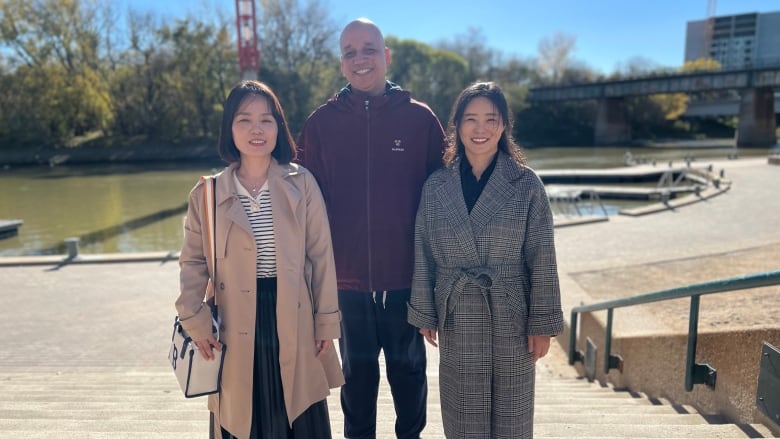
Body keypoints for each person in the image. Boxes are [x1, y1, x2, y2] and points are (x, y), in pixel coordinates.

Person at [297, 18, 447, 439]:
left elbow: (446, 197)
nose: (359, 59)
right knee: (356, 387)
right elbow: (297, 202)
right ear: (341, 64)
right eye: (349, 52)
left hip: (407, 281)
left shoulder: (419, 120)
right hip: (345, 285)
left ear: (386, 56)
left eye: (368, 49)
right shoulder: (321, 124)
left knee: (410, 378)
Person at [176, 80, 344, 439]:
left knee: (298, 412)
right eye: (244, 120)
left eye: (266, 120)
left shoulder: (302, 184)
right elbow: (192, 263)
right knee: (240, 417)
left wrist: (326, 321)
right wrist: (194, 319)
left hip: (294, 318)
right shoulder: (207, 193)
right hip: (233, 324)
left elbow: (320, 256)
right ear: (229, 129)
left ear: (278, 128)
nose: (256, 129)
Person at [407, 82, 564, 439]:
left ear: (504, 125)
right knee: (463, 413)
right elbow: (423, 251)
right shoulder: (436, 186)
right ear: (457, 126)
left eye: (491, 119)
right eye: (470, 119)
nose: (481, 129)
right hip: (458, 310)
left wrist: (543, 323)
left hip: (512, 312)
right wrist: (425, 311)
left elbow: (542, 256)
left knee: (513, 412)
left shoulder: (526, 184)